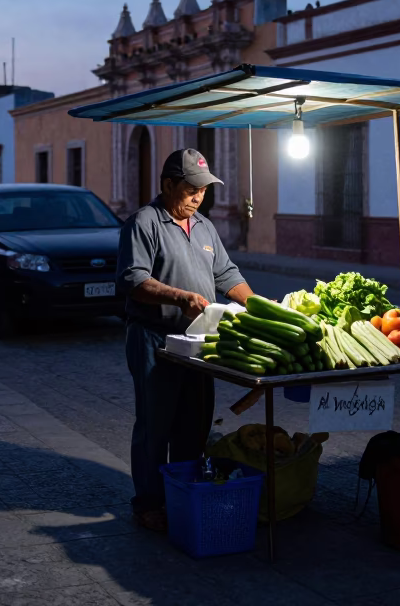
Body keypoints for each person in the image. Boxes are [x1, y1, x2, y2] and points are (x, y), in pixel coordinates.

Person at [117, 148, 254, 532]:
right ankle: (148, 502)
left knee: (194, 423)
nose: (198, 196)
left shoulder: (206, 227)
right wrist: (179, 296)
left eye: (204, 190)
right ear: (168, 185)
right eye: (191, 188)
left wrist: (259, 307)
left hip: (199, 343)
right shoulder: (143, 223)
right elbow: (132, 280)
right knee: (155, 425)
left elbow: (227, 274)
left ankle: (183, 492)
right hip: (153, 340)